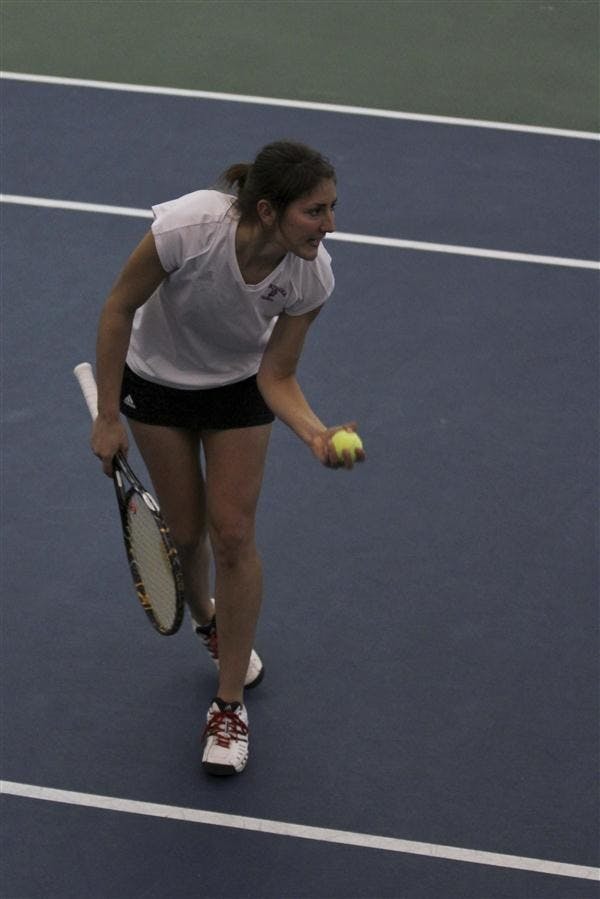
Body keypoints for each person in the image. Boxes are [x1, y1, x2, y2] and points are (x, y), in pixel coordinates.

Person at [90, 139, 365, 776]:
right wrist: (108, 415)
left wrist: (316, 435)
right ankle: (207, 617)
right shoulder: (188, 227)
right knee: (186, 537)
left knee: (233, 535)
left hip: (238, 390)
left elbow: (278, 375)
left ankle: (229, 704)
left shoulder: (311, 275)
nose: (330, 225)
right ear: (268, 210)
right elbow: (118, 307)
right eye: (315, 211)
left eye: (332, 208)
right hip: (155, 386)